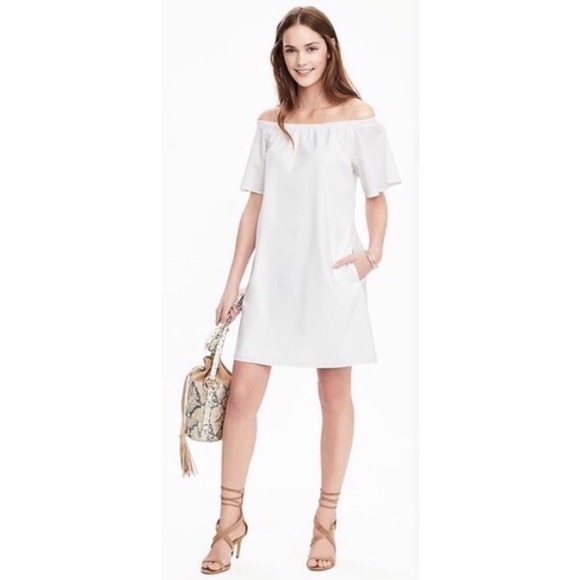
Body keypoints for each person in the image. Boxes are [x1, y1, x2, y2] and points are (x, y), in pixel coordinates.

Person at [200, 5, 402, 575]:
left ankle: (325, 523)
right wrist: (232, 282)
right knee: (242, 396)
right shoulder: (272, 122)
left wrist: (372, 255)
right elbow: (254, 208)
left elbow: (377, 196)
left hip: (332, 277)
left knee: (334, 396)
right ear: (280, 56)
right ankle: (229, 522)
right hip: (273, 279)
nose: (301, 59)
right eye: (291, 49)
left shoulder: (358, 116)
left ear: (329, 49)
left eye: (311, 47)